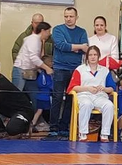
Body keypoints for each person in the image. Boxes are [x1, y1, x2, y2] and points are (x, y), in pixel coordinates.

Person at [49, 8, 89, 137]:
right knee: (57, 97)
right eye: (66, 16)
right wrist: (79, 46)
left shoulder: (82, 31)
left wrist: (72, 47)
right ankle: (53, 127)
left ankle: (64, 127)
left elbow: (86, 49)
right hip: (60, 68)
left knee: (71, 98)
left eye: (71, 16)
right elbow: (61, 45)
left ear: (76, 17)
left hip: (76, 69)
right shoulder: (57, 29)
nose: (68, 19)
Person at [67, 46, 117, 142]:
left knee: (109, 105)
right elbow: (73, 87)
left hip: (100, 96)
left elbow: (112, 88)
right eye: (90, 55)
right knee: (86, 104)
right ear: (87, 56)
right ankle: (82, 133)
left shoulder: (105, 70)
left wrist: (104, 88)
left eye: (95, 55)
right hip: (84, 95)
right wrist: (87, 88)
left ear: (99, 56)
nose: (93, 57)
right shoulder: (80, 69)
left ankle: (105, 134)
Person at [0, 60, 34, 136]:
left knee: (12, 129)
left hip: (23, 111)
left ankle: (25, 126)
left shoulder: (3, 84)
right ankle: (0, 129)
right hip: (9, 109)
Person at [12, 22, 53, 107]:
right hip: (21, 70)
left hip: (29, 72)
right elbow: (33, 57)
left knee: (35, 94)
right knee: (16, 96)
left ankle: (34, 114)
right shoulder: (34, 40)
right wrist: (47, 68)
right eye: (48, 31)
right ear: (43, 31)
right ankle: (11, 114)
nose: (49, 34)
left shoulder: (35, 40)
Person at [32, 55, 53, 132]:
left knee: (39, 110)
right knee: (49, 111)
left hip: (40, 95)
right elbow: (49, 85)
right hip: (46, 96)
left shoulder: (41, 73)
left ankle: (33, 123)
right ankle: (50, 124)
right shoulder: (47, 74)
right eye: (51, 61)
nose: (53, 63)